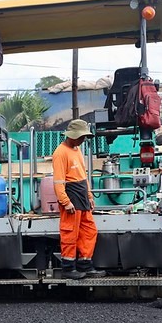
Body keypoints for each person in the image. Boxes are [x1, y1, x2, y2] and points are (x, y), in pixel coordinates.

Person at [52, 119, 106, 280]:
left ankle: (85, 265)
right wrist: (66, 202)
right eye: (81, 136)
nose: (83, 140)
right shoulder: (60, 153)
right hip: (71, 195)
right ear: (72, 136)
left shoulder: (76, 150)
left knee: (89, 231)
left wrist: (89, 196)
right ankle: (68, 268)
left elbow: (82, 175)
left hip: (81, 195)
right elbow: (59, 182)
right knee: (70, 232)